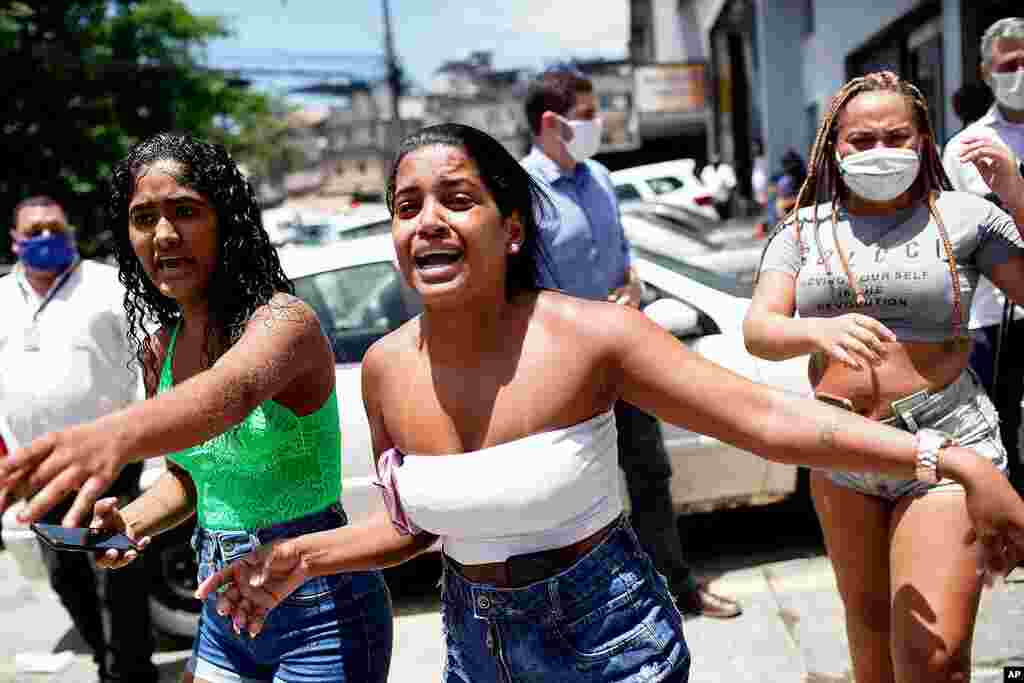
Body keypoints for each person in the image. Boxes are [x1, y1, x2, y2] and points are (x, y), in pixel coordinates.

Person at [88, 122, 1024, 683]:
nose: (428, 222)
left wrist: (951, 460)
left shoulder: (589, 334)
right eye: (406, 207)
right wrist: (302, 556)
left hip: (607, 639)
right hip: (474, 646)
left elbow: (770, 419)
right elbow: (419, 525)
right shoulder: (383, 367)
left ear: (512, 223)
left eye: (457, 198)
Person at [3, 135, 394, 683]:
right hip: (222, 608)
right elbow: (191, 478)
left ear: (226, 220)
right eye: (143, 218)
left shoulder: (283, 322)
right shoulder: (160, 347)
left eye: (185, 211)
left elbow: (226, 396)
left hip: (320, 612)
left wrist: (109, 436)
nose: (164, 235)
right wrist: (131, 522)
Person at [744, 71, 1024, 682]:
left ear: (924, 141)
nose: (879, 151)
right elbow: (759, 330)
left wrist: (1017, 192)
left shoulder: (967, 216)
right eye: (860, 140)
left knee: (933, 658)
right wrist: (814, 331)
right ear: (833, 146)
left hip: (947, 441)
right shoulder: (803, 228)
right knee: (869, 636)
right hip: (841, 447)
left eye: (896, 136)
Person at [520, 67, 741, 618]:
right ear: (553, 122)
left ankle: (676, 588)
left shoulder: (597, 176)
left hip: (622, 360)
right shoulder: (521, 191)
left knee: (651, 475)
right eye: (589, 114)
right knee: (572, 491)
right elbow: (519, 290)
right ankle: (589, 609)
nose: (598, 124)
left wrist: (634, 280)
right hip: (561, 371)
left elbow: (618, 250)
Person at [0, 195, 158, 683]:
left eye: (55, 228)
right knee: (66, 580)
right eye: (35, 231)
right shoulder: (2, 297)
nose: (46, 238)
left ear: (70, 232)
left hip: (110, 467)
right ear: (15, 240)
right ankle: (106, 662)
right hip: (40, 473)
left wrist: (150, 447)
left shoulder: (108, 286)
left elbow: (151, 362)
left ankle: (130, 674)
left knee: (118, 579)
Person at [943, 17, 1024, 484]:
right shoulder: (968, 147)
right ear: (987, 72)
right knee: (1001, 432)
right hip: (995, 318)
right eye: (1008, 64)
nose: (1019, 73)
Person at [700, 153, 738, 220]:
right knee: (713, 219)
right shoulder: (706, 170)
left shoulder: (726, 168)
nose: (715, 160)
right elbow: (702, 184)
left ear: (720, 158)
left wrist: (726, 190)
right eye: (713, 158)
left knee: (725, 219)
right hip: (711, 199)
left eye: (716, 158)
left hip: (724, 200)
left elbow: (732, 184)